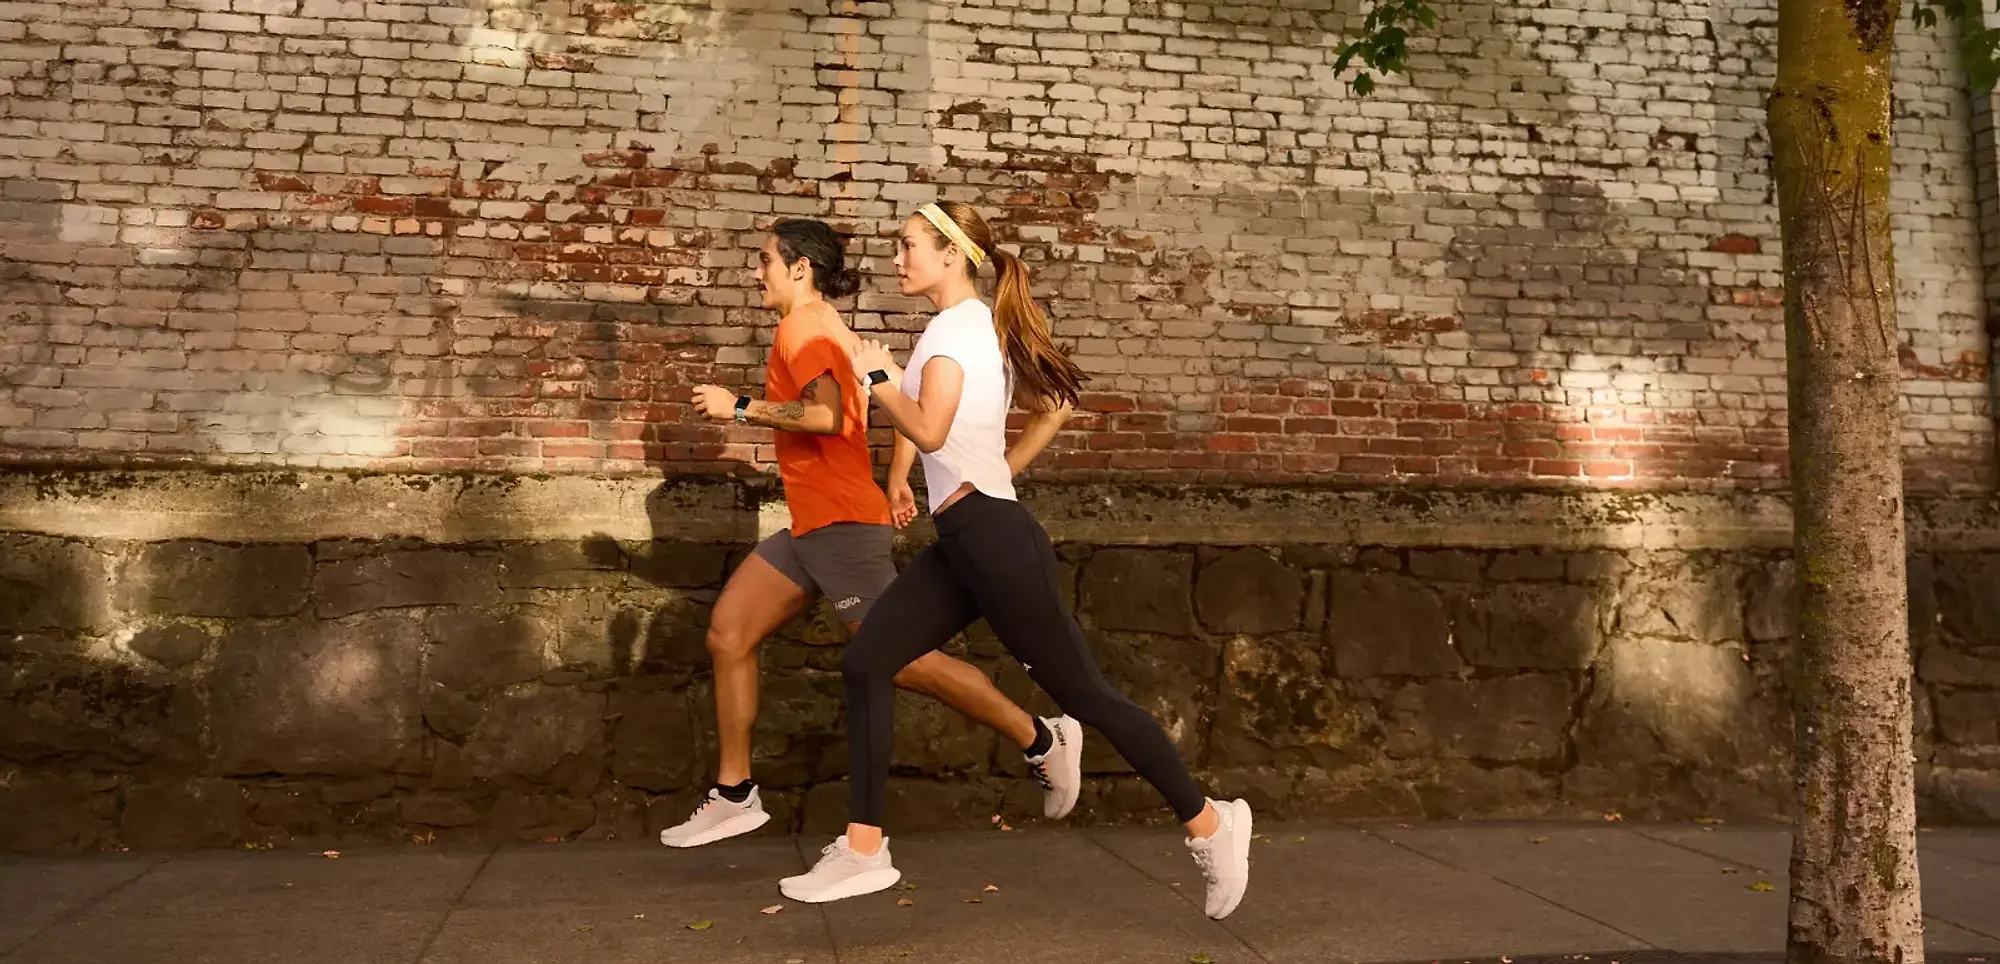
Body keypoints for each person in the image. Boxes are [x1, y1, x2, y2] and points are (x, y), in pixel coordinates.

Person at [776, 202, 1253, 919]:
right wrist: (979, 465)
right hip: (968, 538)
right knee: (867, 660)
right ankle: (865, 847)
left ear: (949, 254)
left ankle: (1212, 824)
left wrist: (878, 379)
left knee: (1087, 694)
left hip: (994, 542)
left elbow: (931, 431)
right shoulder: (967, 328)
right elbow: (1010, 421)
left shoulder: (956, 329)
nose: (898, 260)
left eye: (909, 247)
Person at [664, 218, 1085, 848]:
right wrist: (895, 480)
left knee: (905, 663)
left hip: (840, 526)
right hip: (814, 523)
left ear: (799, 268)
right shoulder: (825, 324)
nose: (757, 274)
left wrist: (740, 407)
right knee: (729, 633)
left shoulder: (803, 328)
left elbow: (829, 417)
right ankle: (735, 794)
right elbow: (876, 408)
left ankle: (1040, 737)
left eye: (766, 262)